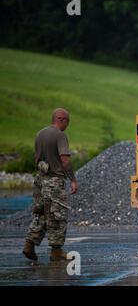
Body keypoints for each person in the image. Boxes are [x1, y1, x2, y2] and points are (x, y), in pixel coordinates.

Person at [22, 108, 78, 261]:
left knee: (40, 214)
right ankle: (56, 251)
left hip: (40, 180)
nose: (68, 125)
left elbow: (36, 158)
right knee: (57, 215)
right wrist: (73, 179)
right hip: (54, 181)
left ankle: (29, 245)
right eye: (68, 121)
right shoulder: (60, 136)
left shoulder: (40, 134)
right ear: (62, 119)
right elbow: (65, 160)